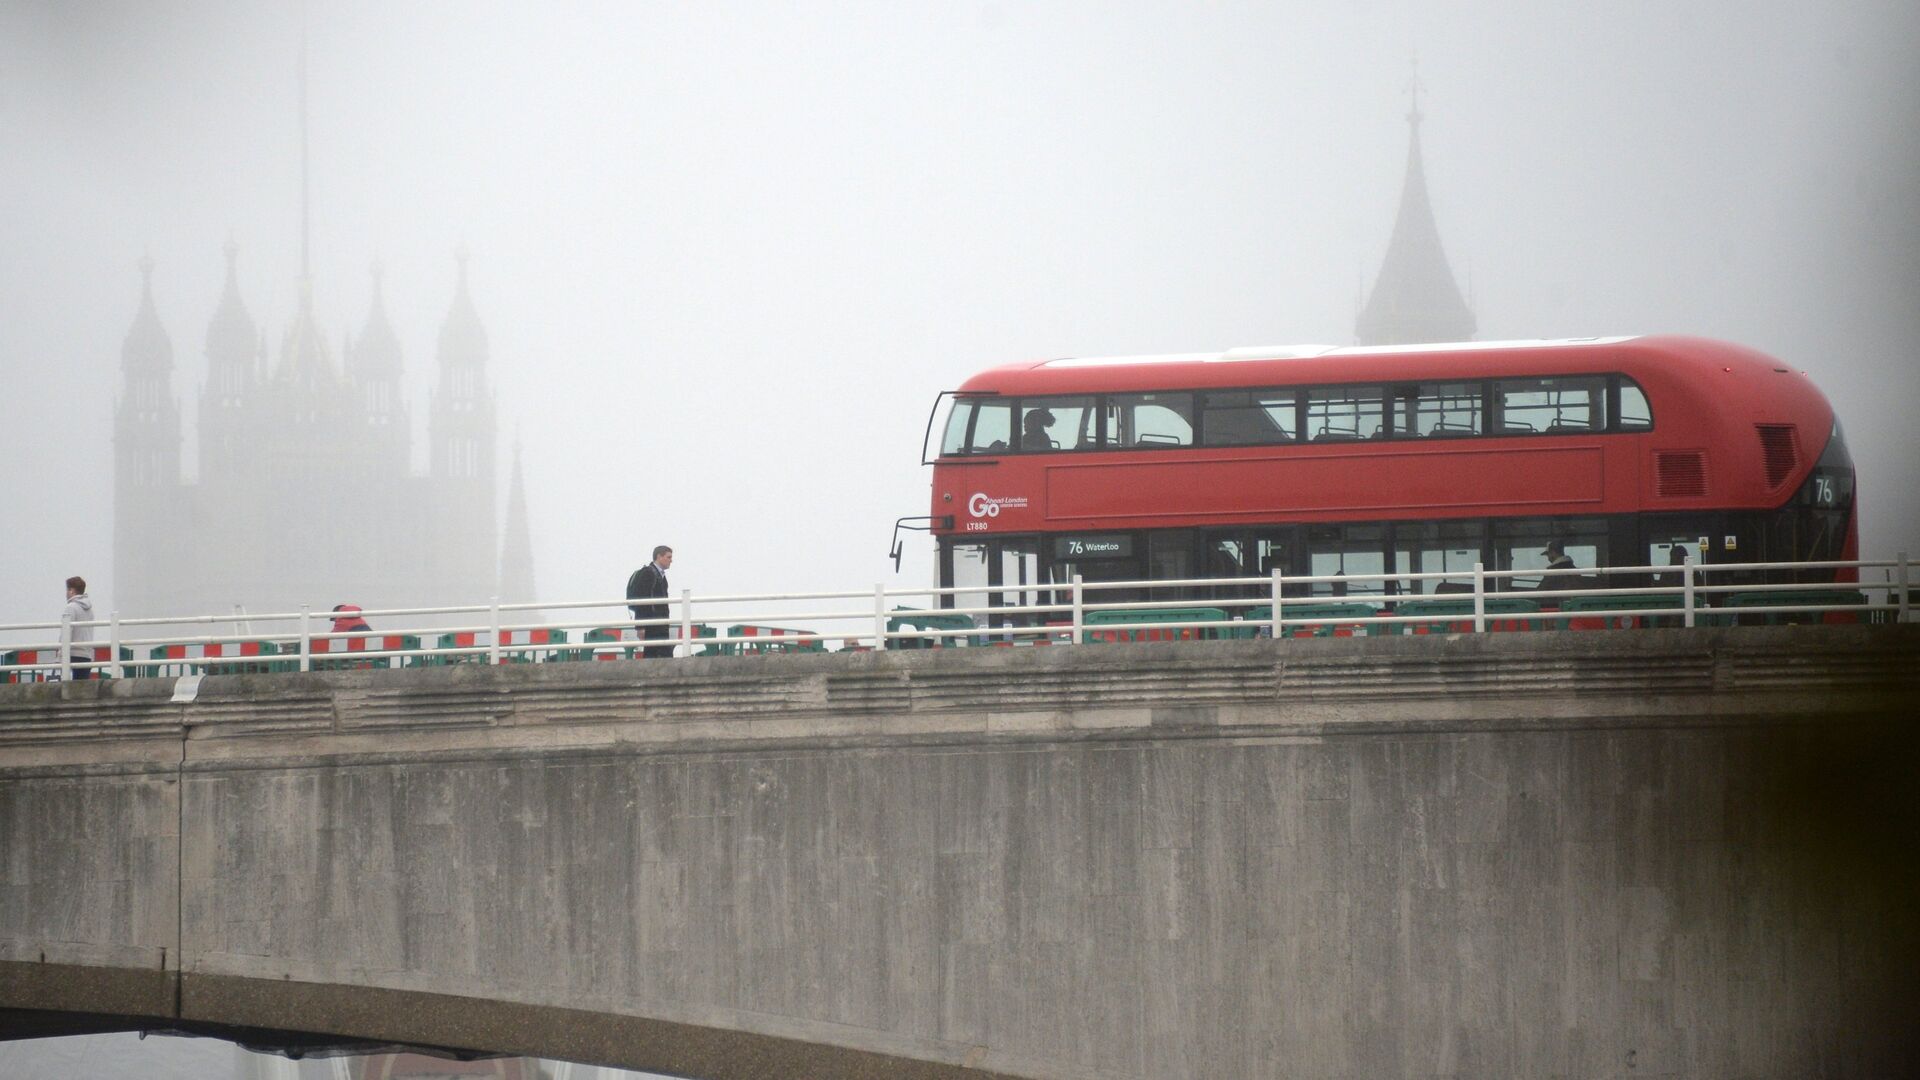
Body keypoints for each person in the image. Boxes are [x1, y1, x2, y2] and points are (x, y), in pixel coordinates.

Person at [626, 545, 674, 659]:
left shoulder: (660, 576)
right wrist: (640, 627)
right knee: (654, 654)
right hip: (652, 624)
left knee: (661, 654)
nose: (671, 560)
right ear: (659, 556)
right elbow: (641, 600)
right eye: (668, 557)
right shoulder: (648, 573)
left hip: (659, 623)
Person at [61, 575, 95, 679]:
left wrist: (61, 653)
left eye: (67, 589)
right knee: (83, 688)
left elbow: (66, 632)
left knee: (69, 688)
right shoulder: (89, 610)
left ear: (72, 591)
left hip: (73, 653)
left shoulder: (71, 607)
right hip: (87, 654)